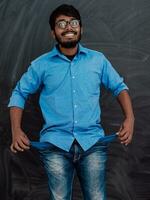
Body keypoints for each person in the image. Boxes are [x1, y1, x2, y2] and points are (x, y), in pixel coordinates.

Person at [8, 4, 134, 200]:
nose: (68, 27)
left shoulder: (97, 60)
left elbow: (119, 87)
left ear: (81, 28)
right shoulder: (41, 64)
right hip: (55, 145)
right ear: (53, 33)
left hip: (92, 143)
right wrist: (16, 130)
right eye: (61, 24)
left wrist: (130, 118)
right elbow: (19, 93)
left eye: (73, 22)